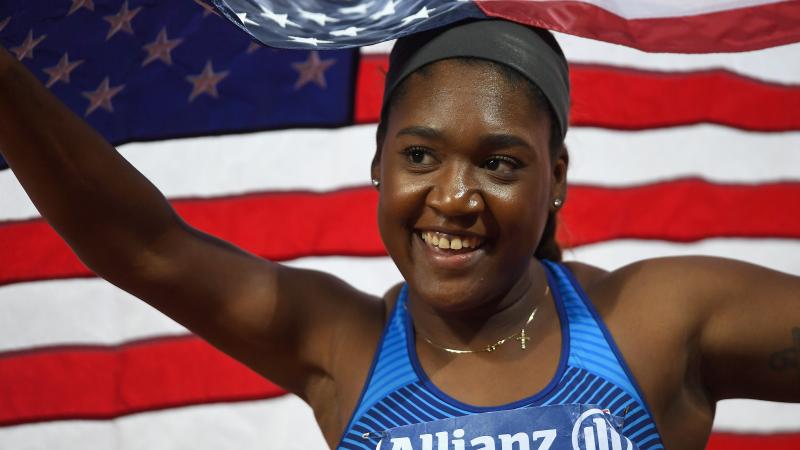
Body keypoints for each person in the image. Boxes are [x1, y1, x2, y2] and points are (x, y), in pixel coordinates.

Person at [0, 19, 798, 450]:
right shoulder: (340, 344)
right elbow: (144, 247)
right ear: (377, 165)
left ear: (556, 177)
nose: (454, 197)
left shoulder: (657, 321)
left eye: (499, 162)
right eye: (420, 155)